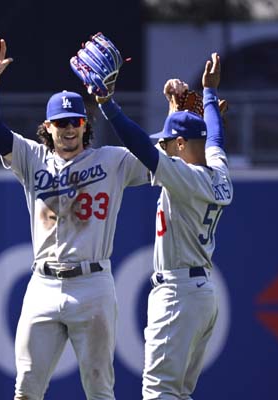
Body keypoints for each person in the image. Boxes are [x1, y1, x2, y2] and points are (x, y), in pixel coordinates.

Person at [0, 34, 149, 400]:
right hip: (43, 284)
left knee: (100, 389)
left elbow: (155, 152)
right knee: (26, 389)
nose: (69, 129)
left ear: (86, 125)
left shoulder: (112, 160)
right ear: (48, 127)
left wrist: (187, 112)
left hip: (93, 284)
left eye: (75, 121)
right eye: (61, 122)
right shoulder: (33, 157)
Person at [94, 53, 233, 399]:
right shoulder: (220, 172)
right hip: (202, 294)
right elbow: (214, 135)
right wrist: (210, 93)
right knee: (179, 394)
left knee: (159, 393)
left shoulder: (183, 176)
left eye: (170, 143)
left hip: (177, 294)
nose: (165, 148)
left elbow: (141, 145)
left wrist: (107, 104)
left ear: (182, 145)